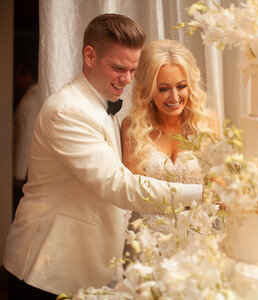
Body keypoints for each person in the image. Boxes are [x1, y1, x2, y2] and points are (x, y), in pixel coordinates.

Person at [3, 14, 202, 299]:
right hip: (47, 269)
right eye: (119, 68)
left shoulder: (102, 105)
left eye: (133, 70)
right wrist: (201, 194)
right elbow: (118, 184)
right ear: (89, 55)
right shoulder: (68, 110)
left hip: (86, 267)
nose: (127, 79)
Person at [121, 39, 220, 232]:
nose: (174, 97)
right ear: (148, 90)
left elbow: (218, 186)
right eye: (163, 89)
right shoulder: (133, 127)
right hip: (148, 238)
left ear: (191, 85)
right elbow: (135, 193)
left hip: (199, 234)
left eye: (181, 86)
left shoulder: (208, 122)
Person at [12, 59, 41, 218]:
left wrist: (18, 174)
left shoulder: (29, 101)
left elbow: (25, 138)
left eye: (18, 75)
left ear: (28, 75)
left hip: (27, 169)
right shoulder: (36, 97)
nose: (16, 79)